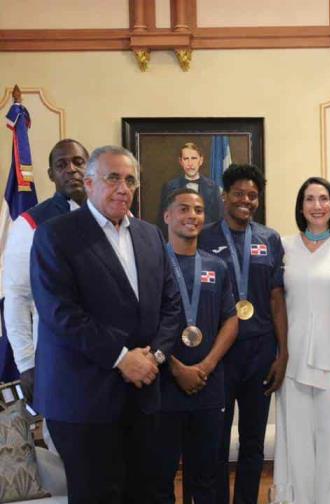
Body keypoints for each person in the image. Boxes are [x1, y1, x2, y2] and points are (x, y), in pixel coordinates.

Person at [30, 145, 182, 504]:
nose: (123, 188)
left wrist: (153, 359)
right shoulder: (56, 235)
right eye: (113, 178)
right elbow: (61, 313)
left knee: (146, 494)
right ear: (89, 182)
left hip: (143, 396)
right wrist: (121, 358)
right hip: (84, 399)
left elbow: (172, 306)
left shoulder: (150, 236)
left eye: (130, 180)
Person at [199, 163, 288, 504]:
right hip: (220, 355)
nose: (246, 201)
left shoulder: (269, 238)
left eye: (253, 195)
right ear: (224, 197)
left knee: (253, 443)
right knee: (217, 442)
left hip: (260, 353)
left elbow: (277, 299)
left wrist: (283, 354)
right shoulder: (204, 237)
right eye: (239, 194)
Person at [273, 177, 330, 503]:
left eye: (323, 199)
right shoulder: (283, 247)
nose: (317, 205)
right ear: (301, 207)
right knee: (295, 441)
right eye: (309, 199)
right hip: (292, 362)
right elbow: (275, 303)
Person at [150, 188, 238, 504]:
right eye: (184, 209)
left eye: (198, 210)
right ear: (168, 216)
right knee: (160, 480)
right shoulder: (152, 264)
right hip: (163, 388)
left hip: (208, 387)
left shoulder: (218, 265)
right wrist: (175, 367)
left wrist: (206, 366)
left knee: (206, 479)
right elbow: (144, 323)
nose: (192, 216)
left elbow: (231, 320)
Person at [3, 138, 88, 405]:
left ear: (91, 167)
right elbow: (17, 296)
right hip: (56, 352)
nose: (71, 170)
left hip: (111, 355)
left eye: (78, 162)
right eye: (62, 165)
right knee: (61, 440)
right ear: (51, 174)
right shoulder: (29, 223)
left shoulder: (113, 216)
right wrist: (27, 363)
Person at [158, 142, 223, 232]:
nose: (190, 163)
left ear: (201, 160)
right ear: (181, 161)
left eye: (193, 158)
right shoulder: (170, 187)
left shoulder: (213, 187)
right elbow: (163, 222)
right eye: (186, 159)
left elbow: (218, 220)